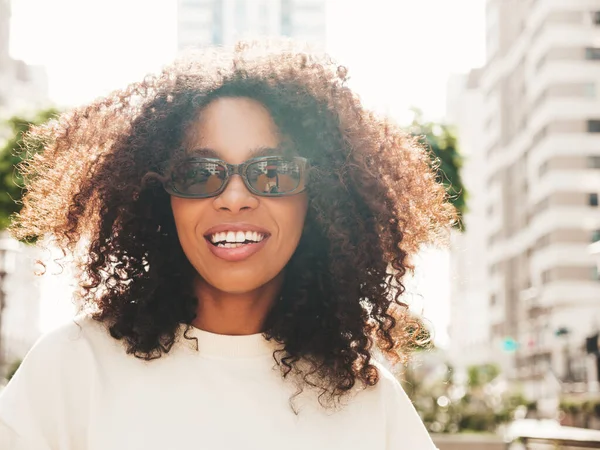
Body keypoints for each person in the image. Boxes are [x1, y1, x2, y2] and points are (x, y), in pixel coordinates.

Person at [0, 41, 455, 449]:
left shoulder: (366, 398)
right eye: (200, 174)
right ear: (162, 198)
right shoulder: (74, 368)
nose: (235, 199)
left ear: (318, 200)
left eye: (272, 173)